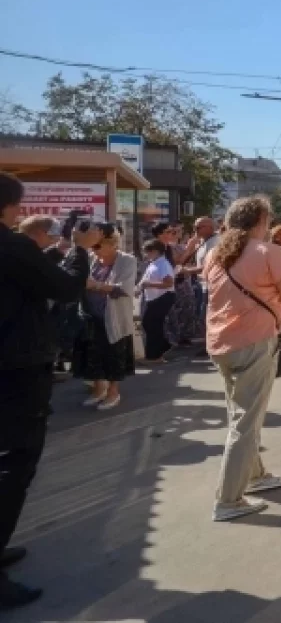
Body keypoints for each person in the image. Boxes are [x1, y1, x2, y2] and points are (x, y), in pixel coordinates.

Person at [0, 172, 98, 609]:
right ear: (10, 207)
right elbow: (65, 287)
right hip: (15, 371)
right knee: (14, 464)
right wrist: (80, 249)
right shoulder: (12, 246)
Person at [203, 196, 281, 522]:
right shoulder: (268, 252)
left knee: (241, 415)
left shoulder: (215, 253)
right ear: (261, 221)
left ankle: (255, 475)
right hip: (254, 343)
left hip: (220, 343)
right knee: (245, 423)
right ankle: (228, 500)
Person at [77, 223, 137, 411]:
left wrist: (95, 285)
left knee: (113, 356)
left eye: (97, 246)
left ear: (112, 244)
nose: (94, 250)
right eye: (92, 246)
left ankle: (113, 392)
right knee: (93, 355)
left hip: (114, 318)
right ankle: (98, 390)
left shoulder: (127, 260)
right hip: (91, 316)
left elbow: (124, 289)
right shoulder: (91, 259)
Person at [18, 216, 80, 382]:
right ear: (39, 233)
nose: (55, 238)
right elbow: (65, 285)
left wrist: (58, 250)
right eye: (52, 234)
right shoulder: (22, 252)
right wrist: (79, 252)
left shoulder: (23, 250)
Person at [138, 239, 176, 363]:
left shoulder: (163, 264)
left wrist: (149, 284)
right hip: (155, 298)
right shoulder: (154, 263)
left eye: (147, 252)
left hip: (162, 297)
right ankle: (160, 349)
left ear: (155, 251)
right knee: (152, 324)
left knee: (150, 324)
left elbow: (168, 283)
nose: (146, 255)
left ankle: (154, 355)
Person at [186, 217, 219, 358]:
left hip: (211, 285)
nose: (195, 230)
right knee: (203, 315)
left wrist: (188, 271)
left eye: (199, 227)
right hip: (203, 284)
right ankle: (208, 344)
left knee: (206, 315)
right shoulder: (202, 242)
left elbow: (209, 266)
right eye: (195, 227)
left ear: (210, 227)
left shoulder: (215, 243)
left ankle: (210, 346)